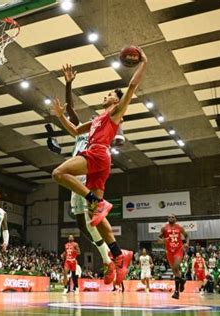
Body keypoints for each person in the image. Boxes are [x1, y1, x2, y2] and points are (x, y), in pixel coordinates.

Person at [51, 49, 148, 284]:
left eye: (108, 94)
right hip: (100, 162)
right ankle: (118, 254)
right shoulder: (95, 120)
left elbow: (132, 87)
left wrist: (143, 62)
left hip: (98, 154)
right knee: (95, 218)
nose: (105, 97)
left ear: (115, 99)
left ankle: (96, 201)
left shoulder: (115, 114)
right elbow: (74, 130)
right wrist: (60, 116)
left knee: (58, 173)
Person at [61, 64, 124, 284]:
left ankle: (108, 259)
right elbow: (70, 112)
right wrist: (68, 84)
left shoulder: (103, 125)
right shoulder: (88, 127)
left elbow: (113, 127)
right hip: (80, 168)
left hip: (86, 167)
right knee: (85, 222)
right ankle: (113, 255)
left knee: (90, 220)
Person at [158, 214, 189, 299]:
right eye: (169, 217)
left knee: (176, 267)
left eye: (172, 217)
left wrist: (186, 243)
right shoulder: (164, 228)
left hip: (178, 250)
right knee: (175, 271)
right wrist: (162, 240)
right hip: (169, 251)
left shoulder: (179, 227)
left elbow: (186, 236)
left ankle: (176, 292)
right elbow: (158, 238)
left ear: (176, 219)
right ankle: (182, 281)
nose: (171, 218)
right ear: (167, 219)